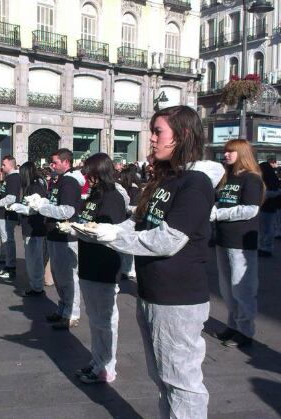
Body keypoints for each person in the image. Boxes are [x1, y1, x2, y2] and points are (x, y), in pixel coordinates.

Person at [90, 106, 224, 418]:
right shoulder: (166, 179)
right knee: (162, 378)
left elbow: (168, 239)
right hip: (151, 293)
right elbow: (139, 223)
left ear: (184, 135)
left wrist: (112, 238)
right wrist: (100, 230)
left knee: (182, 382)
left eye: (158, 132)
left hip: (178, 298)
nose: (151, 139)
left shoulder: (196, 183)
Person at [69, 153, 127, 384]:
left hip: (104, 264)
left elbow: (109, 231)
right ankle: (98, 359)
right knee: (94, 319)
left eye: (89, 172)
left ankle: (107, 366)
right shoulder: (95, 194)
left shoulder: (112, 197)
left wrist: (81, 229)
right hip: (88, 261)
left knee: (105, 319)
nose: (86, 176)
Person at [211, 139, 265, 348]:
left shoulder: (251, 179)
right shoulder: (227, 177)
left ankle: (245, 331)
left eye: (230, 152)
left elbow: (250, 209)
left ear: (242, 153)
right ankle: (233, 325)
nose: (226, 155)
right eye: (225, 151)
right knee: (227, 288)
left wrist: (218, 214)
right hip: (223, 239)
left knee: (242, 288)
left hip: (242, 241)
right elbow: (221, 201)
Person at [32, 148, 85, 329]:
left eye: (55, 162)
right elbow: (56, 203)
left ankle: (72, 313)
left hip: (65, 235)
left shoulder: (69, 182)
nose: (52, 166)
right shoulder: (60, 180)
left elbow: (68, 210)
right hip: (55, 233)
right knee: (58, 275)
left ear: (66, 162)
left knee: (68, 277)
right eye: (52, 162)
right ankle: (63, 308)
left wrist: (42, 208)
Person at [9, 162, 48, 295]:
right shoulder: (32, 186)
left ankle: (37, 286)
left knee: (34, 258)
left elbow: (33, 209)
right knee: (32, 257)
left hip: (35, 227)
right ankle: (35, 284)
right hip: (30, 227)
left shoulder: (35, 187)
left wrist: (16, 207)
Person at [0, 156, 22, 279]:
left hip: (9, 213)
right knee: (6, 239)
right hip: (5, 212)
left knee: (8, 240)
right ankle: (8, 265)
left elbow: (11, 197)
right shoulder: (9, 177)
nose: (2, 167)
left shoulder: (14, 177)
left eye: (4, 164)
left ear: (11, 165)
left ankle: (10, 267)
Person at [257, 161, 281, 257]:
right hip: (268, 206)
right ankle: (264, 247)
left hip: (266, 206)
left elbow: (273, 192)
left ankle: (265, 247)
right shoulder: (271, 178)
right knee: (266, 228)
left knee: (266, 228)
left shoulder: (267, 179)